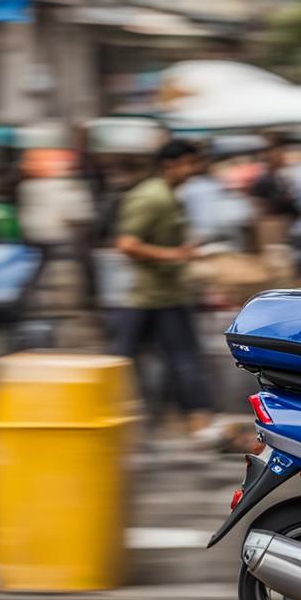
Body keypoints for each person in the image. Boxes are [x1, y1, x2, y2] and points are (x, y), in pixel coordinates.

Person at [111, 140, 215, 435]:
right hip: (150, 296)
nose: (194, 169)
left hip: (166, 294)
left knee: (175, 358)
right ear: (171, 165)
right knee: (168, 359)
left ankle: (196, 419)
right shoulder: (152, 197)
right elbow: (126, 244)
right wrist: (177, 255)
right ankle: (197, 420)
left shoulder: (168, 195)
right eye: (190, 163)